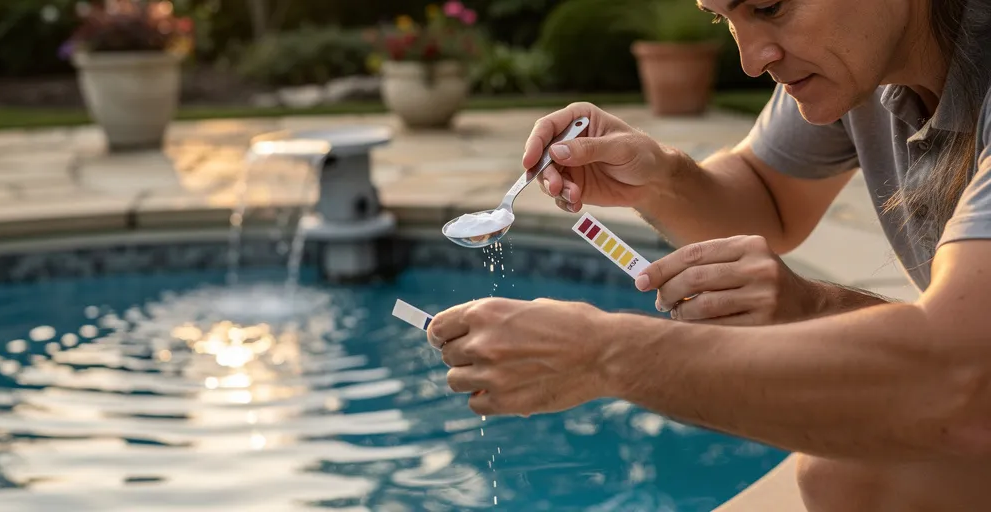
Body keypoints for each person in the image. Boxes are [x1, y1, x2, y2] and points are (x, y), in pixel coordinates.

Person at [425, 0, 991, 510]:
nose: (750, 59)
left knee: (852, 472)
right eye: (722, 18)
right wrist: (656, 178)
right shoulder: (859, 55)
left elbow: (961, 383)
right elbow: (768, 199)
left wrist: (605, 355)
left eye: (769, 7)